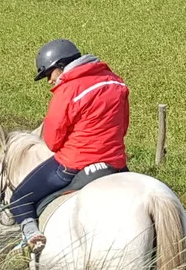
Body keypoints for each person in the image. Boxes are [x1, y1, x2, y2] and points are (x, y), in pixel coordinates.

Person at [7, 39, 129, 254]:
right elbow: (123, 125)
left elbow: (53, 141)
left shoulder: (68, 90)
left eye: (48, 74)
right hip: (116, 162)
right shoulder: (115, 82)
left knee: (20, 198)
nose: (49, 81)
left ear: (59, 66)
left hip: (74, 163)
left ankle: (31, 236)